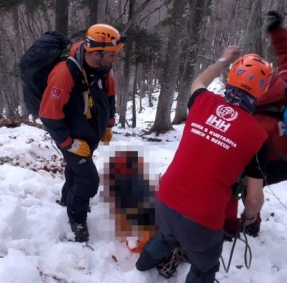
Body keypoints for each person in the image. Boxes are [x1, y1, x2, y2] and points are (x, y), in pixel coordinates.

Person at [136, 46, 272, 283]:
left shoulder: (202, 102)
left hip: (165, 199)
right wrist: (250, 215)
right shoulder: (258, 137)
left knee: (167, 235)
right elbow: (253, 198)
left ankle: (141, 268)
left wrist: (223, 58)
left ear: (230, 77)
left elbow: (198, 81)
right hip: (203, 218)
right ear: (263, 91)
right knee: (205, 266)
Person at [39, 23, 125, 243]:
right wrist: (69, 144)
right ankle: (76, 218)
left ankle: (67, 197)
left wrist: (108, 124)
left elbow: (110, 96)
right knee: (88, 179)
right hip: (70, 135)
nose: (115, 58)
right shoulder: (64, 73)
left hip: (90, 132)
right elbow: (49, 114)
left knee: (77, 170)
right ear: (96, 53)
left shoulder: (103, 68)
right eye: (112, 54)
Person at [224, 11, 287, 238]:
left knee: (233, 186)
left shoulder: (245, 120)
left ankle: (231, 226)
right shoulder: (283, 85)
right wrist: (277, 32)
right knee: (248, 185)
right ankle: (251, 223)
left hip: (269, 160)